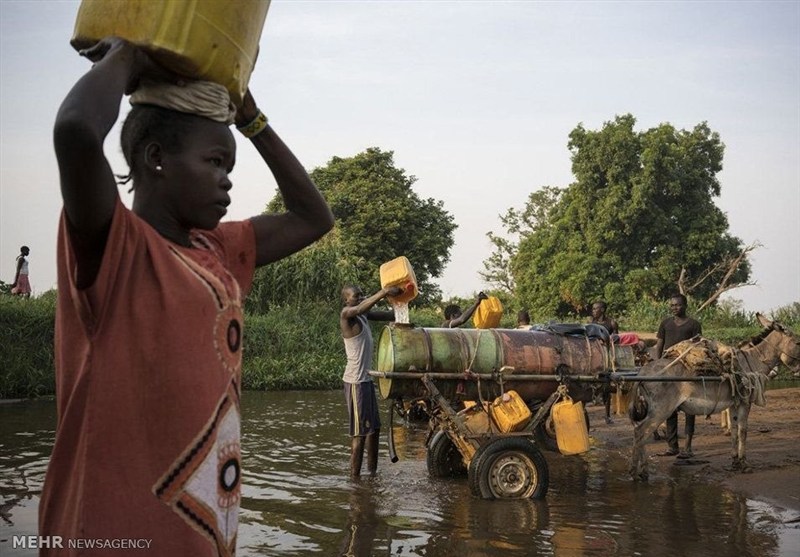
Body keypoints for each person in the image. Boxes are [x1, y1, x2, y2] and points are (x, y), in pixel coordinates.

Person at [40, 37, 334, 556]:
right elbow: (75, 131)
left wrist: (252, 119)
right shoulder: (116, 246)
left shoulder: (215, 249)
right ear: (156, 158)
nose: (226, 183)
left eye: (230, 169)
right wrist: (128, 56)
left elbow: (314, 218)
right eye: (215, 163)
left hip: (200, 536)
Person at [340, 284, 401, 478]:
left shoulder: (364, 316)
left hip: (366, 382)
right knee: (359, 434)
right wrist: (384, 292)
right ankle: (355, 481)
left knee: (374, 429)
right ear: (346, 300)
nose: (359, 298)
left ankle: (372, 474)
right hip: (355, 383)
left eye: (360, 295)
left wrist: (400, 300)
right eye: (355, 296)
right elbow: (358, 308)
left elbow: (391, 315)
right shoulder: (347, 315)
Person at [655, 293, 702, 458]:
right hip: (669, 370)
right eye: (672, 305)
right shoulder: (665, 323)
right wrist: (658, 366)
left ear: (685, 306)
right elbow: (659, 346)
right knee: (670, 409)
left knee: (690, 409)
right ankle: (672, 446)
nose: (674, 308)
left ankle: (688, 447)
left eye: (678, 305)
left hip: (687, 370)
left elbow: (697, 349)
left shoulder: (694, 325)